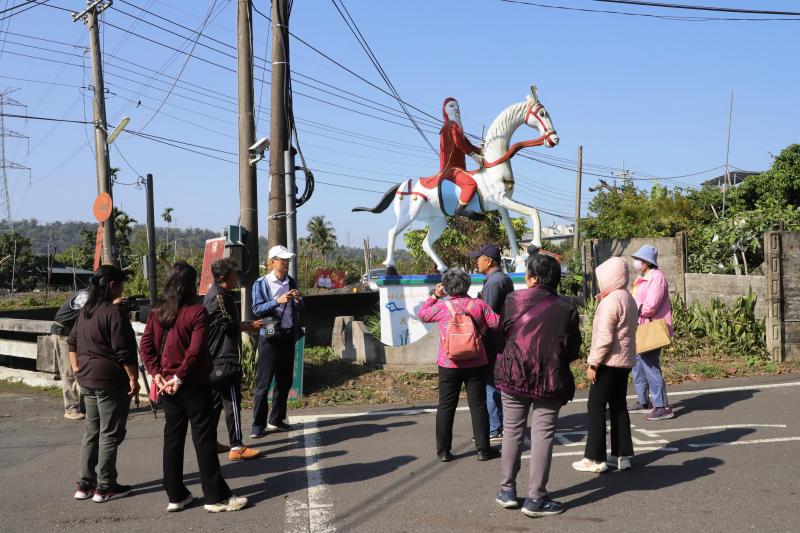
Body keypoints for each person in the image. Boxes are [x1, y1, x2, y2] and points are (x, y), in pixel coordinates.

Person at [140, 262, 247, 513]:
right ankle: (215, 497)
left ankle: (176, 495)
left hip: (167, 386)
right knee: (204, 440)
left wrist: (157, 375)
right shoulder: (197, 312)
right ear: (188, 284)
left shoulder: (157, 312)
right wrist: (179, 377)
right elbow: (196, 351)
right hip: (193, 384)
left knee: (172, 439)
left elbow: (146, 346)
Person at [494, 254, 581, 518]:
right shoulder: (567, 307)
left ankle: (507, 491)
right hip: (550, 378)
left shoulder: (513, 299)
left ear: (532, 278)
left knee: (512, 431)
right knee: (543, 435)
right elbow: (573, 348)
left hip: (513, 374)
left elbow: (502, 333)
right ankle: (536, 499)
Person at [68, 265, 139, 502]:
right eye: (121, 284)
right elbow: (123, 351)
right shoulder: (113, 312)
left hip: (87, 378)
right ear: (112, 285)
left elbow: (72, 341)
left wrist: (76, 368)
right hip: (110, 379)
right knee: (110, 433)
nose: (122, 289)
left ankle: (85, 483)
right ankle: (106, 485)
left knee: (92, 431)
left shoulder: (86, 311)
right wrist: (133, 377)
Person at [417, 267, 500, 462]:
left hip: (449, 363)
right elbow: (496, 323)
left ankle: (444, 451)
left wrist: (434, 296)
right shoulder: (478, 304)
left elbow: (422, 315)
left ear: (445, 287)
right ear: (467, 285)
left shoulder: (442, 307)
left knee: (446, 406)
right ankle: (483, 450)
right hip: (476, 362)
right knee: (478, 405)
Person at [572, 257, 638, 474]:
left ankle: (594, 457)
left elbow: (604, 339)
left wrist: (593, 363)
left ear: (610, 277)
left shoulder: (610, 302)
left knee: (596, 407)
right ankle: (621, 455)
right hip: (625, 362)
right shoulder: (628, 298)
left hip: (608, 362)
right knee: (619, 406)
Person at [203, 258, 262, 461]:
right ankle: (236, 446)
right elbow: (227, 325)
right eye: (234, 274)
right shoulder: (218, 296)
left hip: (214, 359)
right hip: (223, 358)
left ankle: (209, 442)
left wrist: (247, 324)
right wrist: (249, 326)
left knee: (216, 404)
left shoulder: (218, 294)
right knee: (232, 403)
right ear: (222, 277)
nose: (237, 277)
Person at [250, 245, 304, 438]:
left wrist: (297, 300)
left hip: (288, 335)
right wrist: (277, 301)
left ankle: (277, 419)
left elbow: (300, 307)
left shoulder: (291, 281)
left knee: (284, 381)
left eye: (287, 260)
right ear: (272, 262)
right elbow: (256, 309)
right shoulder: (261, 283)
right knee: (263, 384)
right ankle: (258, 425)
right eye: (282, 260)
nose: (286, 263)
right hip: (269, 336)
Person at [469, 243, 514, 443]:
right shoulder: (501, 278)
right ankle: (499, 424)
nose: (476, 262)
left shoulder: (494, 283)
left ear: (488, 261)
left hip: (493, 339)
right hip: (501, 338)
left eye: (479, 258)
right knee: (495, 382)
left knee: (491, 383)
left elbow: (486, 313)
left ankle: (495, 427)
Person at [420, 97, 485, 220]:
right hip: (451, 170)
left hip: (459, 169)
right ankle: (460, 209)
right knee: (470, 183)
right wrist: (475, 156)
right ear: (445, 111)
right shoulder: (451, 125)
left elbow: (468, 144)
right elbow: (460, 144)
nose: (456, 109)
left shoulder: (458, 128)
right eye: (451, 106)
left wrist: (483, 151)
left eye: (457, 106)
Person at [630, 244, 675, 421]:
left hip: (651, 327)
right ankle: (644, 402)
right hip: (639, 327)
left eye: (639, 259)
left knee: (650, 366)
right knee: (638, 366)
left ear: (647, 261)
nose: (636, 262)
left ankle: (662, 406)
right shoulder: (640, 278)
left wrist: (632, 309)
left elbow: (650, 306)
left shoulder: (657, 277)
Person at [52, 289, 89, 420]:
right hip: (64, 333)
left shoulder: (89, 295)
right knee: (69, 371)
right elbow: (91, 314)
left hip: (74, 334)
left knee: (82, 368)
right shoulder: (85, 296)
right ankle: (71, 408)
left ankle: (84, 406)